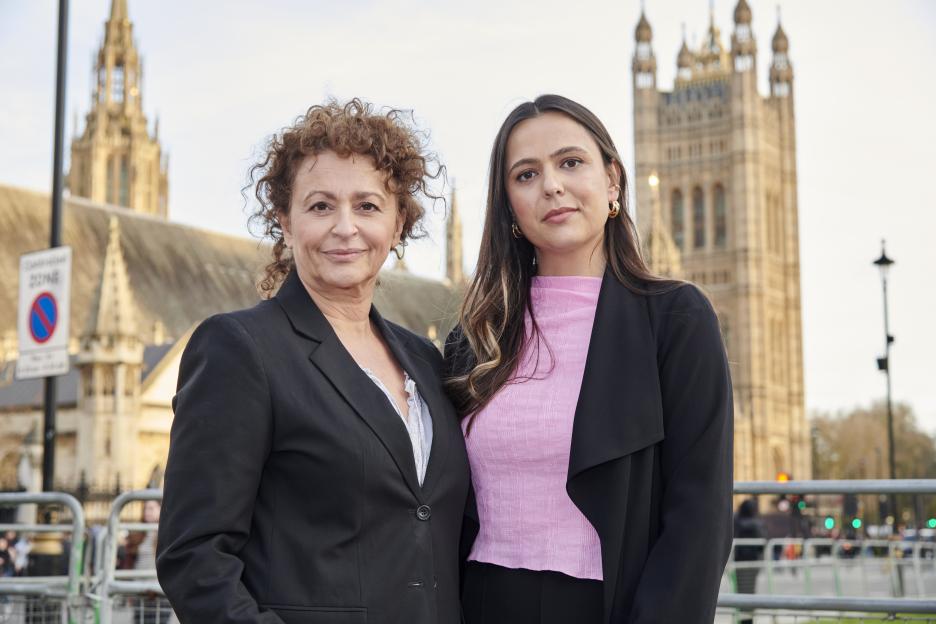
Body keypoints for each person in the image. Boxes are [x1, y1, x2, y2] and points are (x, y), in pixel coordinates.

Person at [156, 99, 471, 624]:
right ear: (285, 221)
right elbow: (195, 558)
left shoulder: (425, 359)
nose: (345, 227)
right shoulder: (241, 348)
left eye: (368, 206)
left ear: (398, 226)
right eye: (321, 206)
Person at [444, 94, 733, 623]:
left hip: (608, 607)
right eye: (526, 174)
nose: (551, 184)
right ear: (508, 203)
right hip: (483, 602)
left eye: (570, 162)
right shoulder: (475, 337)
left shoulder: (674, 320)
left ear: (613, 181)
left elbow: (700, 516)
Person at [733, 499, 766, 624]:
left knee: (740, 591)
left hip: (739, 561)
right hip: (752, 563)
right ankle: (749, 619)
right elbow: (762, 543)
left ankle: (742, 618)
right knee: (750, 591)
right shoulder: (757, 524)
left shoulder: (737, 521)